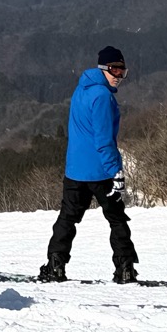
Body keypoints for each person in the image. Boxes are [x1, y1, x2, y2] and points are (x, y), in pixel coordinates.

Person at [39, 45, 139, 283]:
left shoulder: (80, 90)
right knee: (116, 218)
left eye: (122, 71)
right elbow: (104, 140)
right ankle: (125, 268)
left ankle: (55, 265)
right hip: (101, 171)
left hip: (75, 170)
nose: (119, 77)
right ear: (104, 69)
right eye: (115, 70)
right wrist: (115, 171)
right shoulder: (103, 97)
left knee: (67, 218)